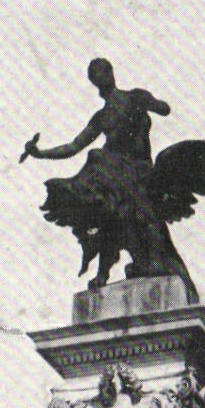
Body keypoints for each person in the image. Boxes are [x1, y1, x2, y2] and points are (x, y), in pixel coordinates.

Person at [21, 58, 191, 294]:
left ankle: (148, 261)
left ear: (111, 72)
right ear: (93, 81)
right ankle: (107, 271)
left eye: (104, 71)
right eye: (96, 75)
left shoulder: (134, 97)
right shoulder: (101, 117)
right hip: (113, 171)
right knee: (110, 210)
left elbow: (164, 109)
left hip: (139, 170)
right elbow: (73, 146)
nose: (101, 77)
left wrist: (150, 102)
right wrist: (39, 153)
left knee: (140, 215)